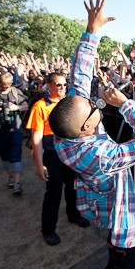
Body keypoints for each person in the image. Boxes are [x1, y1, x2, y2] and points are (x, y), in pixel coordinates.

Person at [49, 0, 135, 269]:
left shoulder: (67, 133)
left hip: (102, 204)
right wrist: (126, 105)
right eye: (91, 105)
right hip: (124, 228)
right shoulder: (101, 155)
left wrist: (92, 31)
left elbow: (79, 79)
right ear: (87, 126)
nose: (93, 99)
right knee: (120, 268)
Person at [25, 72, 89, 246]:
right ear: (49, 86)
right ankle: (48, 230)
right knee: (54, 192)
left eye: (64, 84)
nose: (62, 88)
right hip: (52, 155)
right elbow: (36, 138)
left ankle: (73, 215)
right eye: (58, 85)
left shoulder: (68, 103)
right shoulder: (40, 106)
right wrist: (39, 164)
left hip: (69, 152)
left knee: (72, 186)